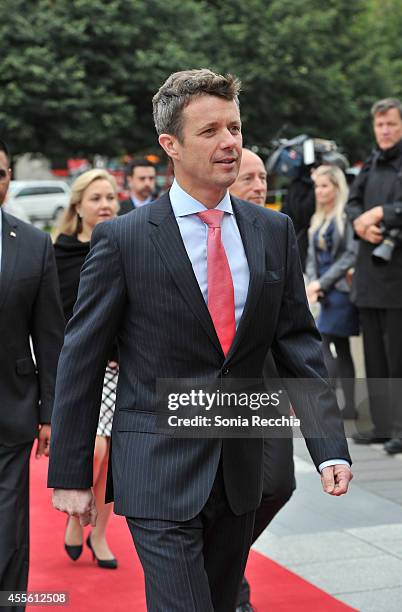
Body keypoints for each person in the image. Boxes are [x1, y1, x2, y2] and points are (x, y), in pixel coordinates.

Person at [48, 69, 352, 612]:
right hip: (156, 469)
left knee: (219, 602)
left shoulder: (271, 231)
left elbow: (298, 345)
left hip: (238, 470)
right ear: (171, 145)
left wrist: (328, 444)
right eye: (210, 130)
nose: (230, 142)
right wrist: (71, 472)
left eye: (234, 127)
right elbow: (81, 359)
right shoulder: (124, 240)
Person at [230, 148, 295, 612]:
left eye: (263, 177)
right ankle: (233, 586)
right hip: (212, 391)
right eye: (248, 178)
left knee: (278, 483)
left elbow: (295, 323)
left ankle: (227, 557)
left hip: (268, 384)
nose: (259, 185)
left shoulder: (275, 231)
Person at [0, 139, 64, 610]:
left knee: (8, 526)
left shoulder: (34, 244)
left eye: (2, 173)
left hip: (12, 407)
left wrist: (50, 412)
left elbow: (49, 336)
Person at [53, 169, 119, 568]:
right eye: (95, 197)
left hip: (120, 368)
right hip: (80, 370)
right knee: (95, 448)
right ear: (78, 205)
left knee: (112, 458)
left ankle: (100, 535)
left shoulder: (128, 242)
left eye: (110, 196)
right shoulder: (59, 253)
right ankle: (79, 518)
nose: (105, 204)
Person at [346, 98, 402, 453]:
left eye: (391, 124)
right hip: (371, 273)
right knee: (375, 358)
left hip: (400, 276)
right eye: (379, 125)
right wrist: (361, 223)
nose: (384, 131)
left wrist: (384, 212)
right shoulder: (371, 161)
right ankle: (382, 425)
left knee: (400, 358)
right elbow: (353, 202)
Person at [306, 165, 359, 422]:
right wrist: (313, 282)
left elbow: (350, 255)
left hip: (340, 291)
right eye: (317, 186)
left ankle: (328, 405)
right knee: (342, 348)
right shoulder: (318, 219)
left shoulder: (344, 217)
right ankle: (348, 406)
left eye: (325, 186)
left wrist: (323, 283)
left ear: (338, 189)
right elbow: (311, 257)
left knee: (325, 341)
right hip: (323, 291)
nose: (319, 191)